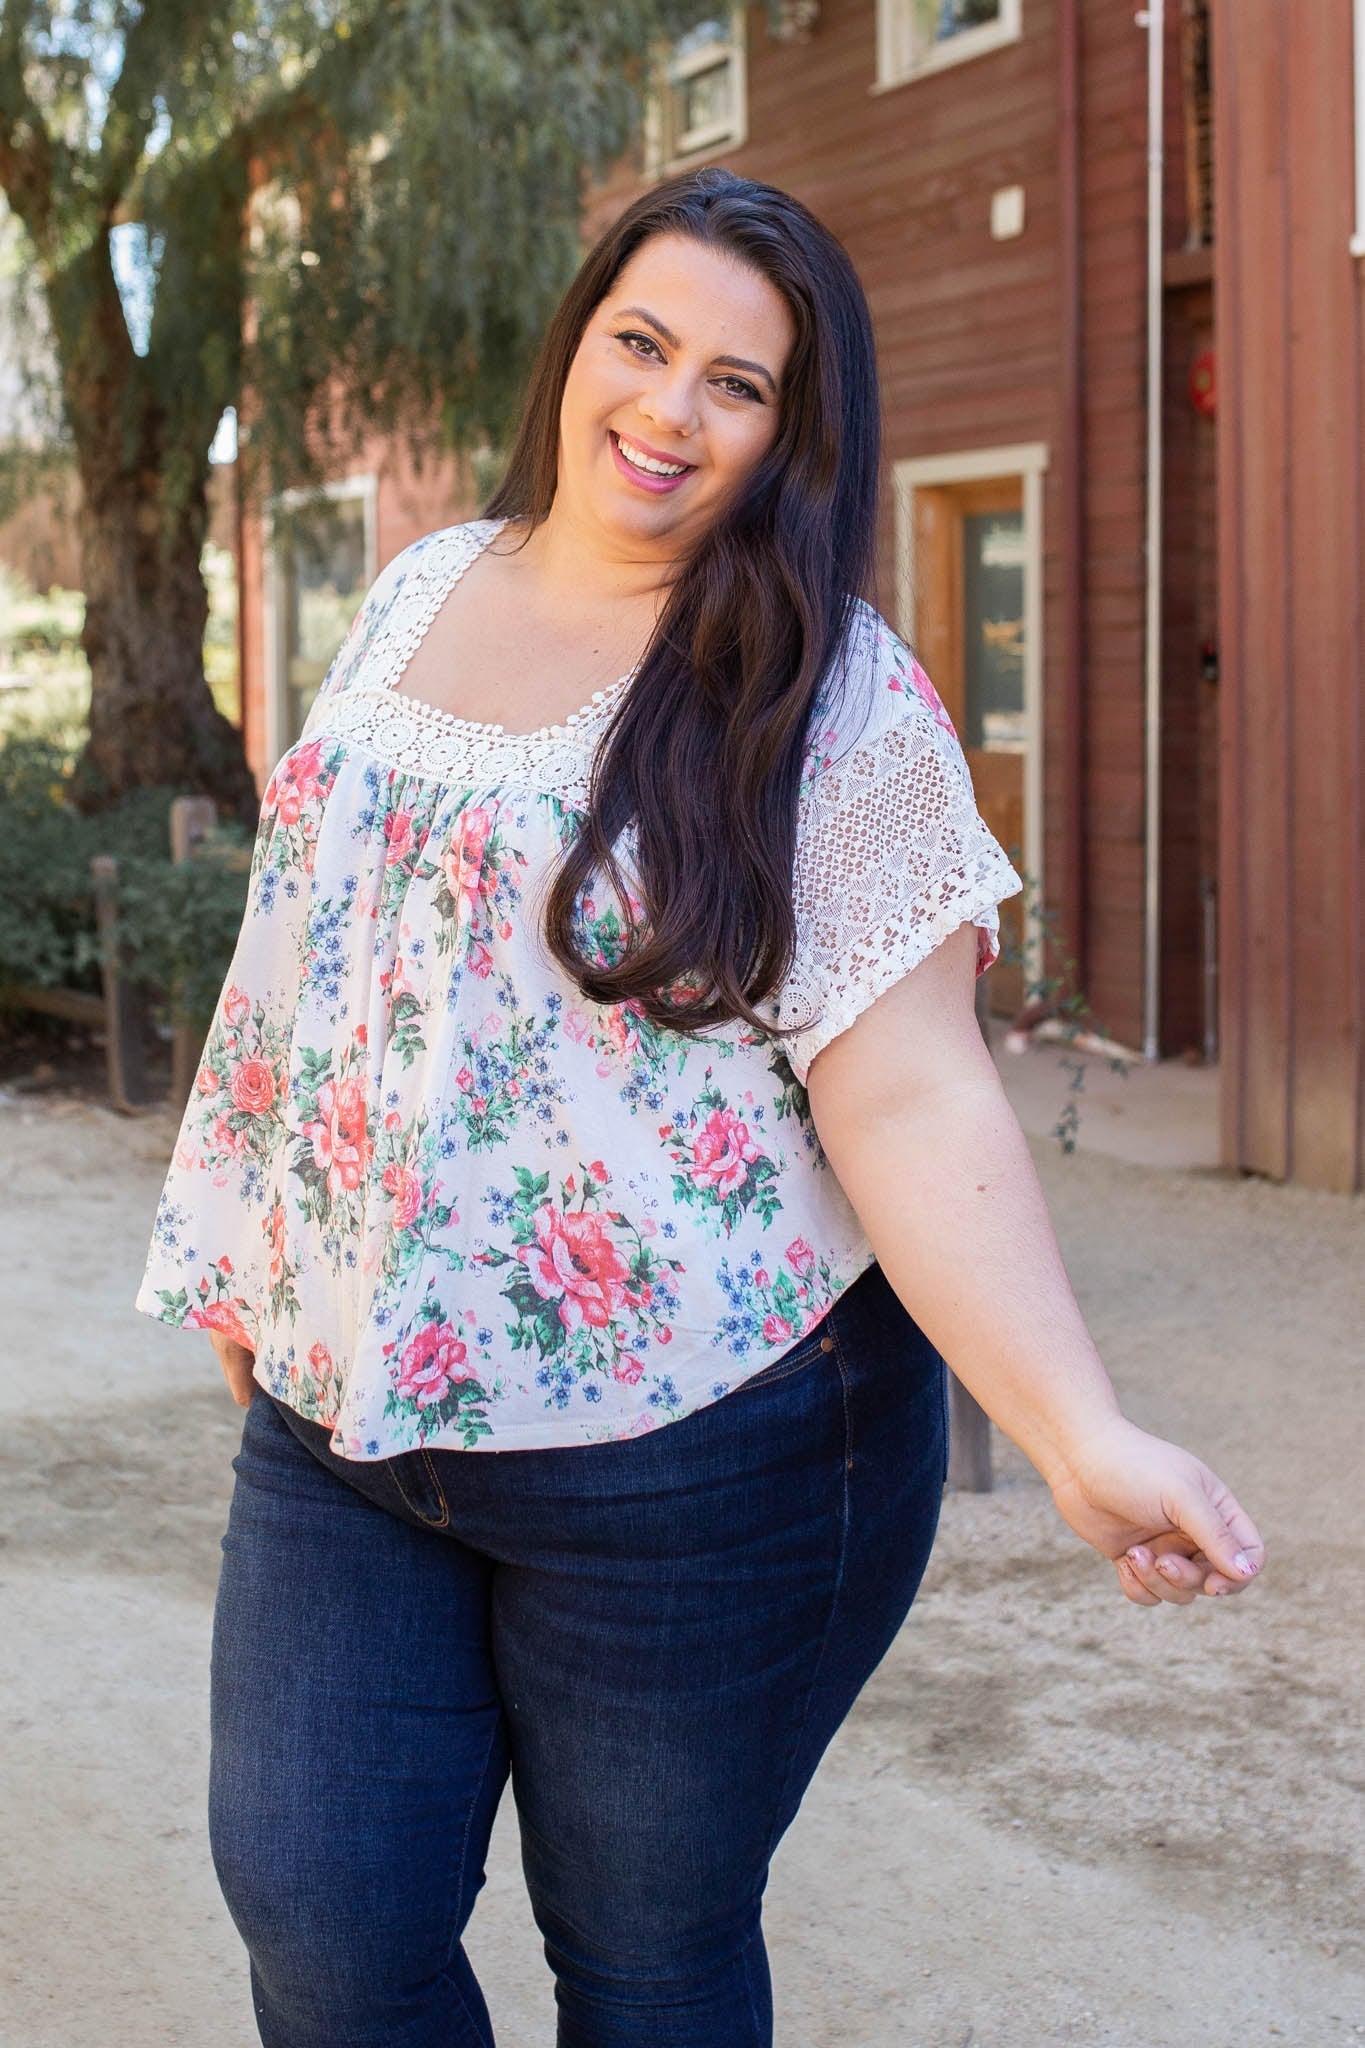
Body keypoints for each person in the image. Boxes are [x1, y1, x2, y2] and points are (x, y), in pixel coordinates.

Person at [134, 165, 1264, 2048]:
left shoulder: (824, 700)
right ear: (578, 342)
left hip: (700, 1452)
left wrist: (1071, 1433)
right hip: (353, 1423)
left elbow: (909, 1096)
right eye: (642, 344)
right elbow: (308, 960)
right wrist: (262, 1270)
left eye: (736, 384)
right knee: (323, 1925)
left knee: (643, 1958)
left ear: (792, 433)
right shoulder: (419, 589)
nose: (667, 411)